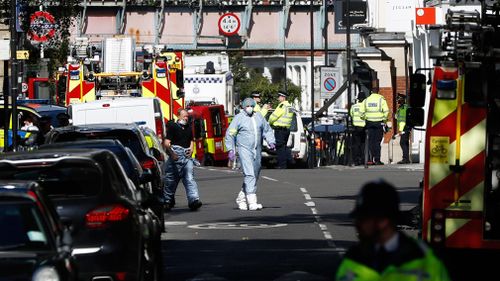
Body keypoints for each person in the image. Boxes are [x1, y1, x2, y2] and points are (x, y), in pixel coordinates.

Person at [335, 180, 451, 281]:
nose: (357, 224)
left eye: (363, 219)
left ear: (383, 221)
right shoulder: (352, 259)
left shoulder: (424, 260)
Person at [225, 98, 276, 210]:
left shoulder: (258, 117)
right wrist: (231, 149)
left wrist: (271, 141)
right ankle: (252, 201)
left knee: (255, 174)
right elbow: (230, 134)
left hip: (257, 149)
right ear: (243, 107)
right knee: (249, 174)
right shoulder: (239, 118)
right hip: (244, 149)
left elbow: (267, 129)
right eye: (247, 106)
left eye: (251, 106)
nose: (249, 108)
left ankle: (241, 198)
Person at [163, 109, 202, 211]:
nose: (186, 118)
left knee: (189, 178)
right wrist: (172, 154)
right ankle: (167, 201)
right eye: (184, 116)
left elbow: (191, 140)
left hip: (186, 157)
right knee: (171, 180)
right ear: (178, 116)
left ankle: (193, 200)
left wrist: (191, 149)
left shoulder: (189, 127)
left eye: (187, 117)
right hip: (175, 156)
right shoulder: (173, 127)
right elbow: (167, 143)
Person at [361, 80, 389, 165]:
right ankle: (377, 159)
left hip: (369, 123)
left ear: (371, 91)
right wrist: (384, 119)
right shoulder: (381, 99)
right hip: (378, 123)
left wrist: (366, 117)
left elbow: (361, 113)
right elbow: (386, 111)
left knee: (370, 142)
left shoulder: (366, 100)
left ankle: (370, 159)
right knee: (377, 142)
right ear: (378, 90)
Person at [268, 91, 294, 169]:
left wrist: (270, 122)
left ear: (283, 97)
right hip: (287, 129)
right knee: (284, 146)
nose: (278, 98)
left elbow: (274, 116)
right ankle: (290, 160)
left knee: (280, 147)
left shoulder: (282, 106)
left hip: (280, 129)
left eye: (279, 97)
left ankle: (282, 164)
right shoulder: (290, 106)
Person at [350, 95, 366, 166]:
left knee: (356, 144)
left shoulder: (354, 106)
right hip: (363, 127)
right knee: (363, 144)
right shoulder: (365, 106)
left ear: (358, 99)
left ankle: (356, 160)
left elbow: (351, 114)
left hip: (355, 127)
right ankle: (363, 159)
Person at [395, 94, 410, 164]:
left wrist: (401, 130)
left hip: (404, 127)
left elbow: (402, 120)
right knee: (405, 143)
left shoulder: (403, 108)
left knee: (402, 143)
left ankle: (405, 159)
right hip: (405, 127)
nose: (397, 101)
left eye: (398, 99)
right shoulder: (402, 108)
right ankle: (407, 159)